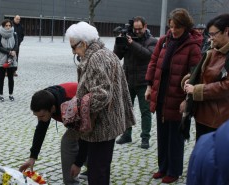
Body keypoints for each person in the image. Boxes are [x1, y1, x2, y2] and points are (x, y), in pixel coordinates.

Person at [65, 21, 136, 185]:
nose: (73, 52)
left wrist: (78, 106)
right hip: (105, 123)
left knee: (97, 173)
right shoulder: (102, 53)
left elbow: (101, 93)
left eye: (74, 47)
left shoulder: (97, 57)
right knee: (101, 169)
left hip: (102, 125)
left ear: (83, 43)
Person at [145, 8, 202, 183]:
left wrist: (187, 100)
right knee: (162, 135)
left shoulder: (193, 46)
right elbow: (153, 63)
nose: (173, 30)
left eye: (177, 27)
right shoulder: (164, 41)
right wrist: (149, 86)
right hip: (161, 95)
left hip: (178, 98)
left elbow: (195, 75)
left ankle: (174, 170)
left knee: (175, 138)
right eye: (171, 26)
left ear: (185, 26)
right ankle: (162, 167)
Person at [182, 14, 229, 141]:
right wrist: (190, 79)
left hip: (218, 118)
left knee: (214, 157)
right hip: (202, 114)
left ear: (226, 31)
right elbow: (202, 72)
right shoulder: (213, 49)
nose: (211, 38)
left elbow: (227, 87)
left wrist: (197, 90)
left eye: (213, 34)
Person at [19, 82, 85, 185]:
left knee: (68, 142)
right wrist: (32, 157)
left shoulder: (70, 104)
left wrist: (78, 164)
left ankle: (72, 181)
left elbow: (84, 136)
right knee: (72, 143)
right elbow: (41, 130)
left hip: (91, 115)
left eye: (41, 116)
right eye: (37, 116)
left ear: (53, 109)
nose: (39, 119)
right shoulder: (45, 101)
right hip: (76, 118)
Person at [114, 16, 157, 149]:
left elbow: (148, 55)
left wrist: (132, 44)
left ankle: (145, 138)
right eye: (135, 29)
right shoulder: (128, 38)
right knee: (126, 109)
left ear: (145, 26)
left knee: (145, 111)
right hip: (128, 79)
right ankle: (127, 134)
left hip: (144, 82)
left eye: (139, 29)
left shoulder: (152, 41)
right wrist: (120, 42)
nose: (137, 31)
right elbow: (117, 56)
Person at [186, 103, 229, 185]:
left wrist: (197, 92)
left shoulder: (206, 149)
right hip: (204, 115)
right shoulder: (205, 148)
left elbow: (224, 90)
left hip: (217, 117)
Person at [0, 19, 18, 102]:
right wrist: (8, 51)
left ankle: (11, 94)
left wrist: (14, 51)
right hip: (2, 58)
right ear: (3, 26)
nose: (8, 27)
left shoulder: (14, 34)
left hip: (11, 58)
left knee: (11, 78)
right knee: (1, 77)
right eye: (6, 25)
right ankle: (1, 95)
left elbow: (16, 44)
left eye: (9, 25)